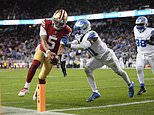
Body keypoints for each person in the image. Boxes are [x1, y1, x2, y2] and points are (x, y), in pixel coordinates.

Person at [66, 19, 134, 102]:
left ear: (85, 28)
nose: (78, 32)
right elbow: (76, 41)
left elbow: (84, 46)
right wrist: (67, 43)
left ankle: (130, 84)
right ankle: (95, 92)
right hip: (97, 58)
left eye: (79, 29)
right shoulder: (81, 36)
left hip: (107, 56)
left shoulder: (92, 34)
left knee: (119, 72)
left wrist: (69, 45)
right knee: (87, 69)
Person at [18, 9, 72, 97]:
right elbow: (43, 40)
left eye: (60, 23)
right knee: (35, 64)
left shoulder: (67, 30)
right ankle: (26, 87)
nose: (58, 25)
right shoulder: (45, 23)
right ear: (53, 19)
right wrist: (47, 51)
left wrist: (58, 57)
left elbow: (61, 46)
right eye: (57, 22)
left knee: (42, 77)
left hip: (53, 55)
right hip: (43, 49)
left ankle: (38, 90)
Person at [133, 16, 154, 95]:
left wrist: (150, 42)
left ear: (146, 24)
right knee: (138, 68)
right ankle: (142, 87)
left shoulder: (151, 31)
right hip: (141, 54)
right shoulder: (135, 29)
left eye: (141, 24)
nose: (139, 26)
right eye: (138, 24)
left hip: (152, 54)